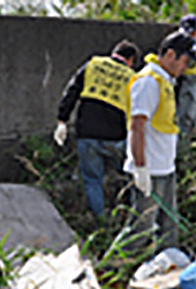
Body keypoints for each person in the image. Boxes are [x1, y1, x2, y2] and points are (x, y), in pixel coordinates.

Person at [124, 31, 196, 249]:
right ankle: (111, 270)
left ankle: (166, 268)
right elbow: (137, 126)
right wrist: (140, 168)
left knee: (169, 224)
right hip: (149, 169)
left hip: (165, 168)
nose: (185, 68)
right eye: (185, 61)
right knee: (140, 228)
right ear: (170, 55)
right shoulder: (148, 81)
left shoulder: (165, 81)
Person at [54, 39, 140, 219]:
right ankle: (133, 217)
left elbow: (72, 91)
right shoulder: (132, 76)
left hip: (87, 133)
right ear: (130, 59)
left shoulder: (93, 64)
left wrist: (62, 120)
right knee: (130, 176)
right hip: (115, 137)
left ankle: (100, 221)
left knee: (93, 180)